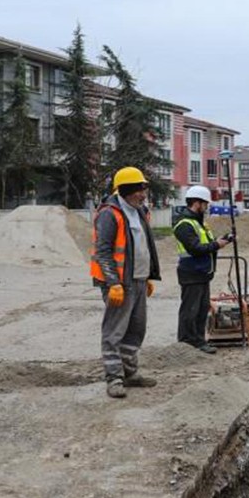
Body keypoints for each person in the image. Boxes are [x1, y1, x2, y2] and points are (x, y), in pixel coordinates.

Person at [91, 167, 162, 399]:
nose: (143, 194)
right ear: (125, 190)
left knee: (136, 330)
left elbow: (143, 246)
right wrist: (113, 283)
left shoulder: (139, 211)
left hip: (138, 281)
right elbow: (103, 252)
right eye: (139, 190)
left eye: (144, 189)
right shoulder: (109, 214)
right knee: (114, 331)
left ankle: (130, 373)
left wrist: (148, 276)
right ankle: (114, 378)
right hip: (120, 283)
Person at [173, 185, 232, 354]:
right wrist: (216, 244)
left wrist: (223, 240)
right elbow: (195, 248)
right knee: (190, 311)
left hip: (202, 273)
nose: (207, 207)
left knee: (201, 310)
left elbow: (207, 244)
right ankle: (186, 344)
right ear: (197, 203)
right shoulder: (184, 225)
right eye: (205, 204)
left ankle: (198, 341)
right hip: (191, 273)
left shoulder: (199, 224)